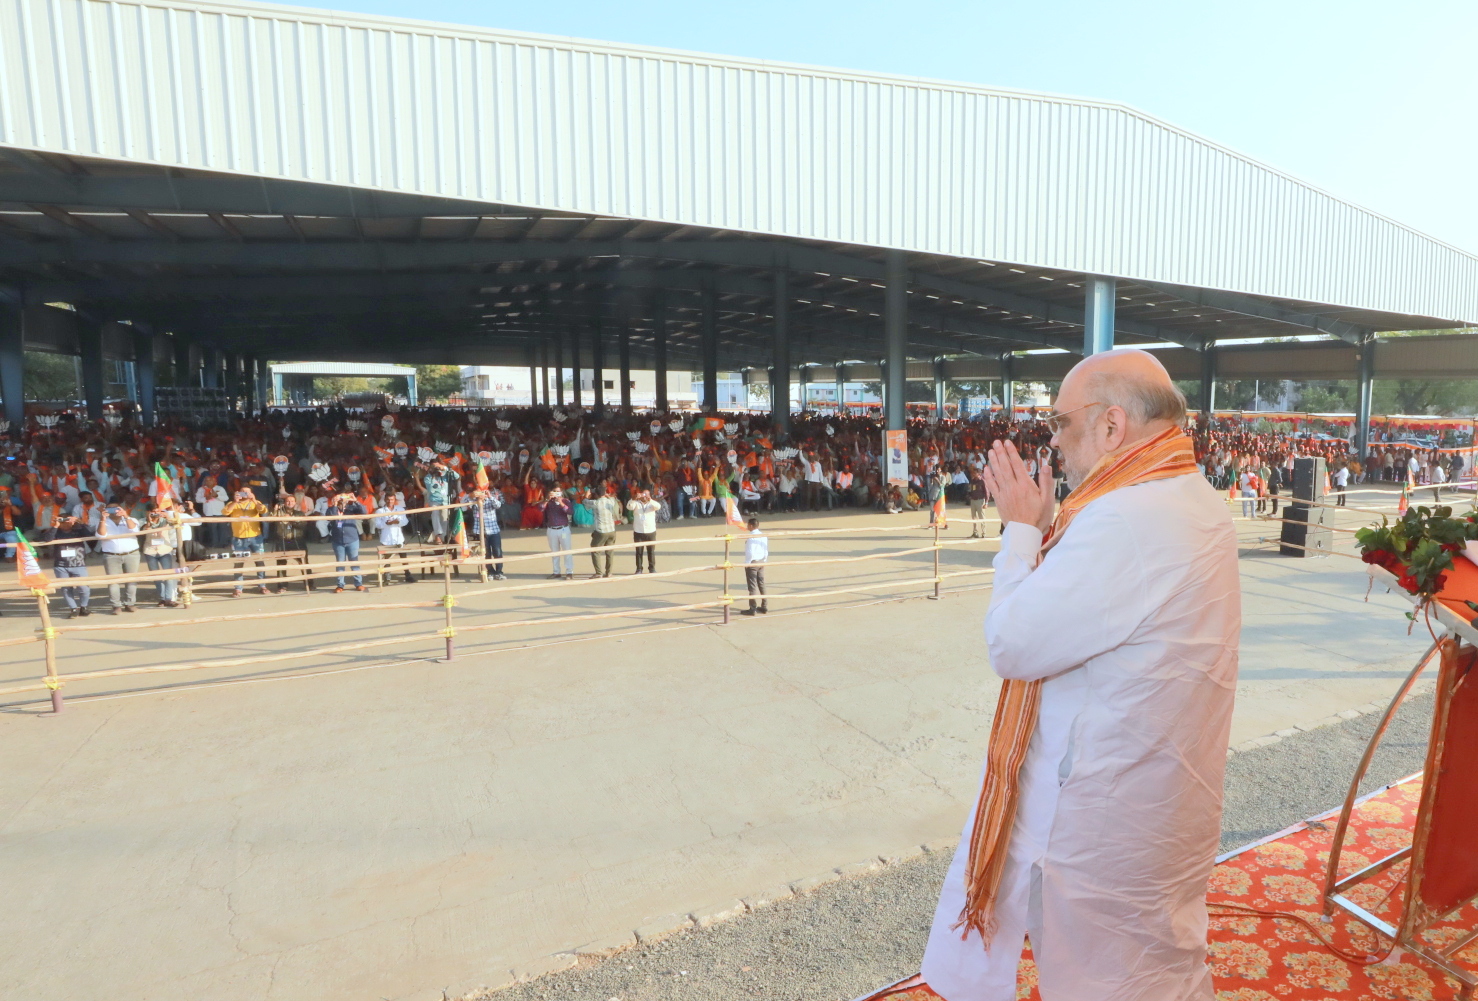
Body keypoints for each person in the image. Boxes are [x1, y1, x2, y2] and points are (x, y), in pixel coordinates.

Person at [921, 348, 1240, 1001]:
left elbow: (1013, 643)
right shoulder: (1189, 493)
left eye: (1061, 423)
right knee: (1162, 965)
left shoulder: (1126, 517)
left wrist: (1018, 533)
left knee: (1113, 980)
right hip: (1158, 800)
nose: (1056, 443)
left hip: (1107, 822)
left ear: (1111, 426)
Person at [222, 488, 270, 597]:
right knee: (239, 563)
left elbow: (263, 511)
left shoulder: (255, 502)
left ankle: (262, 585)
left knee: (259, 561)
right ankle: (238, 588)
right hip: (238, 538)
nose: (245, 494)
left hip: (255, 537)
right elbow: (225, 512)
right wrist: (235, 501)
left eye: (247, 492)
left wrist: (253, 500)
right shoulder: (232, 503)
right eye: (243, 491)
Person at [43, 514, 93, 617]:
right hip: (61, 565)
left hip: (78, 564)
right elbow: (47, 539)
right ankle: (73, 608)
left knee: (84, 587)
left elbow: (89, 536)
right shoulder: (56, 531)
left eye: (68, 521)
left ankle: (84, 606)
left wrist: (79, 522)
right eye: (63, 521)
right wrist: (56, 525)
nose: (66, 524)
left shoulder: (78, 530)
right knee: (66, 588)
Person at [96, 502, 141, 614]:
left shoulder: (131, 519)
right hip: (111, 555)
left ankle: (130, 603)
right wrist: (103, 519)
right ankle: (116, 605)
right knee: (113, 582)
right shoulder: (103, 522)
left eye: (116, 509)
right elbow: (101, 535)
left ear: (121, 508)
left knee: (131, 580)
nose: (113, 511)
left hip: (131, 554)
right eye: (110, 509)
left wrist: (125, 516)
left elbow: (135, 530)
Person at [140, 503, 181, 608]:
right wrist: (149, 521)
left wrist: (167, 516)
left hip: (164, 550)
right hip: (150, 551)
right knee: (156, 576)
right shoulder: (142, 521)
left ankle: (169, 599)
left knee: (168, 575)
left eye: (158, 511)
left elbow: (176, 523)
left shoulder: (165, 520)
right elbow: (144, 530)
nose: (156, 514)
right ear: (148, 512)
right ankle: (162, 598)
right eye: (154, 512)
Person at [326, 491, 368, 592]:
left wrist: (355, 501)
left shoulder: (351, 508)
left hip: (352, 539)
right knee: (340, 563)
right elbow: (329, 516)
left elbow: (364, 511)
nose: (342, 502)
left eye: (343, 500)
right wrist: (334, 504)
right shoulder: (332, 509)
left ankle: (358, 583)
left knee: (354, 562)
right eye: (340, 500)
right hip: (338, 540)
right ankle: (340, 585)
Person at [468, 487, 506, 581]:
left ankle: (499, 572)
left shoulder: (490, 500)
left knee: (497, 551)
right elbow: (465, 504)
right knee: (486, 552)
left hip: (493, 530)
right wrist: (473, 495)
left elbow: (498, 505)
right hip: (481, 532)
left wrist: (490, 496)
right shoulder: (474, 502)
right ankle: (490, 571)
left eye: (482, 492)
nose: (481, 495)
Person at [627, 486, 661, 574]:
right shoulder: (636, 503)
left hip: (650, 531)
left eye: (647, 495)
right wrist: (634, 498)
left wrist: (651, 500)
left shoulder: (652, 503)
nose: (645, 496)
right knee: (639, 552)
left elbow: (658, 506)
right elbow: (629, 507)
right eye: (643, 494)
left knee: (651, 551)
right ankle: (639, 569)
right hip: (639, 531)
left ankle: (652, 568)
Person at [543, 485, 574, 579]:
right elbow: (540, 508)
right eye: (555, 491)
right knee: (554, 552)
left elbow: (570, 512)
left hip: (563, 529)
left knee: (567, 551)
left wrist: (561, 503)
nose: (557, 494)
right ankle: (556, 571)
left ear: (561, 493)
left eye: (558, 492)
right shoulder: (549, 502)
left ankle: (569, 572)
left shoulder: (566, 501)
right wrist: (547, 499)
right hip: (552, 529)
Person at [588, 485, 620, 578]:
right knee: (609, 551)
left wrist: (586, 495)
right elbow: (612, 498)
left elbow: (584, 502)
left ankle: (598, 573)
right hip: (611, 530)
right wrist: (606, 495)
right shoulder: (611, 501)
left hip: (601, 531)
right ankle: (609, 572)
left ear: (596, 494)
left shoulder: (595, 503)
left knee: (595, 550)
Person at [740, 516, 768, 616]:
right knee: (761, 583)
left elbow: (750, 552)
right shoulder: (763, 535)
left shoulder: (751, 537)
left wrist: (747, 564)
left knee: (752, 586)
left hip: (753, 562)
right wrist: (764, 560)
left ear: (751, 526)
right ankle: (764, 606)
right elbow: (766, 549)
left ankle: (752, 608)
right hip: (761, 561)